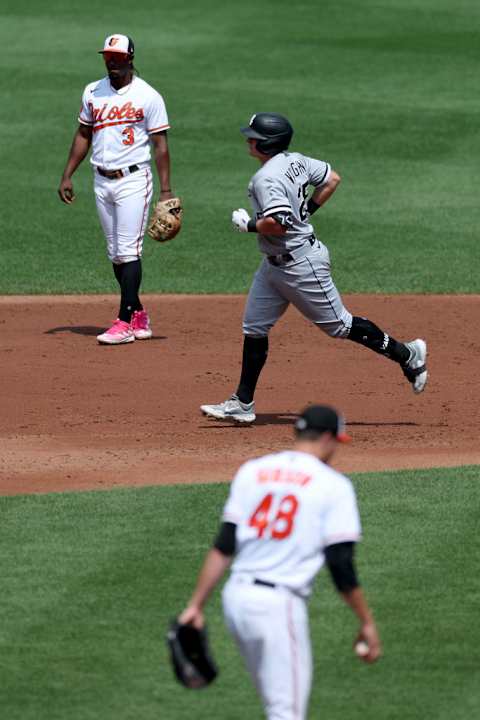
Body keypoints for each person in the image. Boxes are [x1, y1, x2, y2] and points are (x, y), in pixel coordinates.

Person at [201, 113, 427, 422]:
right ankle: (242, 402)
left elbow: (277, 225)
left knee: (341, 326)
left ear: (266, 143)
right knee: (254, 328)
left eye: (252, 136)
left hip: (301, 265)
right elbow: (332, 178)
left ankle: (408, 354)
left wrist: (248, 225)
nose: (248, 139)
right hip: (273, 267)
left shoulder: (265, 179)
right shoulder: (295, 160)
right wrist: (306, 210)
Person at [179, 404, 382, 720]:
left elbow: (223, 546)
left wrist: (195, 605)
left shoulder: (253, 471)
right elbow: (341, 565)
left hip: (236, 600)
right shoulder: (334, 486)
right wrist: (366, 621)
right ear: (328, 438)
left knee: (276, 706)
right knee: (286, 713)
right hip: (277, 607)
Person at [58, 34, 174, 345]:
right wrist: (68, 173)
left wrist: (166, 191)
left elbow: (160, 146)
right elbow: (84, 133)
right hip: (101, 179)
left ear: (130, 58)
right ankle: (137, 312)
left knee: (128, 250)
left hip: (134, 180)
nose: (111, 62)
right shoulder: (93, 91)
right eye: (108, 56)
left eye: (118, 57)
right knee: (115, 254)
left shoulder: (148, 96)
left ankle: (123, 321)